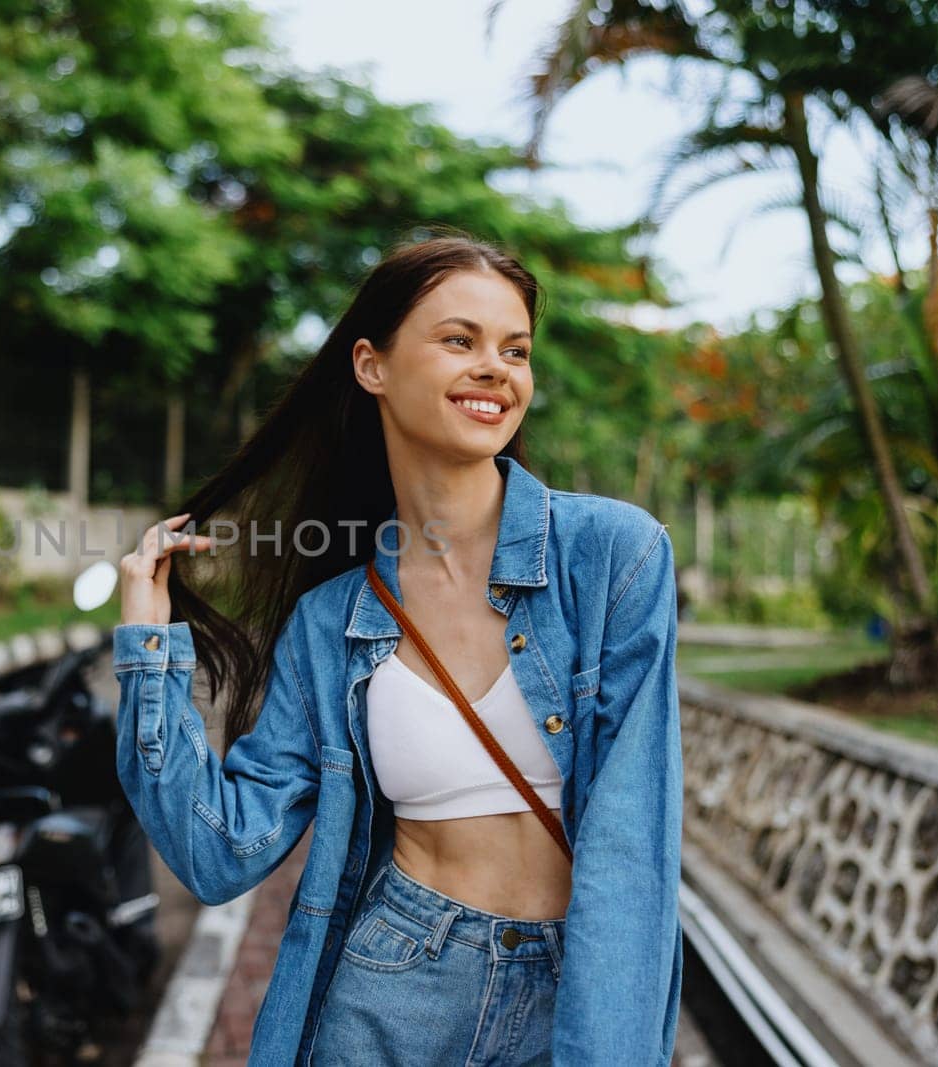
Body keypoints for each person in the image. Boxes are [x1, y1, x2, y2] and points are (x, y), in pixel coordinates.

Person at [113, 232, 683, 1065]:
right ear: (372, 366)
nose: (496, 368)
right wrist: (147, 643)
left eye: (514, 349)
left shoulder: (611, 557)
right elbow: (219, 850)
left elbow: (631, 852)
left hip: (572, 991)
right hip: (394, 985)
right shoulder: (330, 620)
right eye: (460, 340)